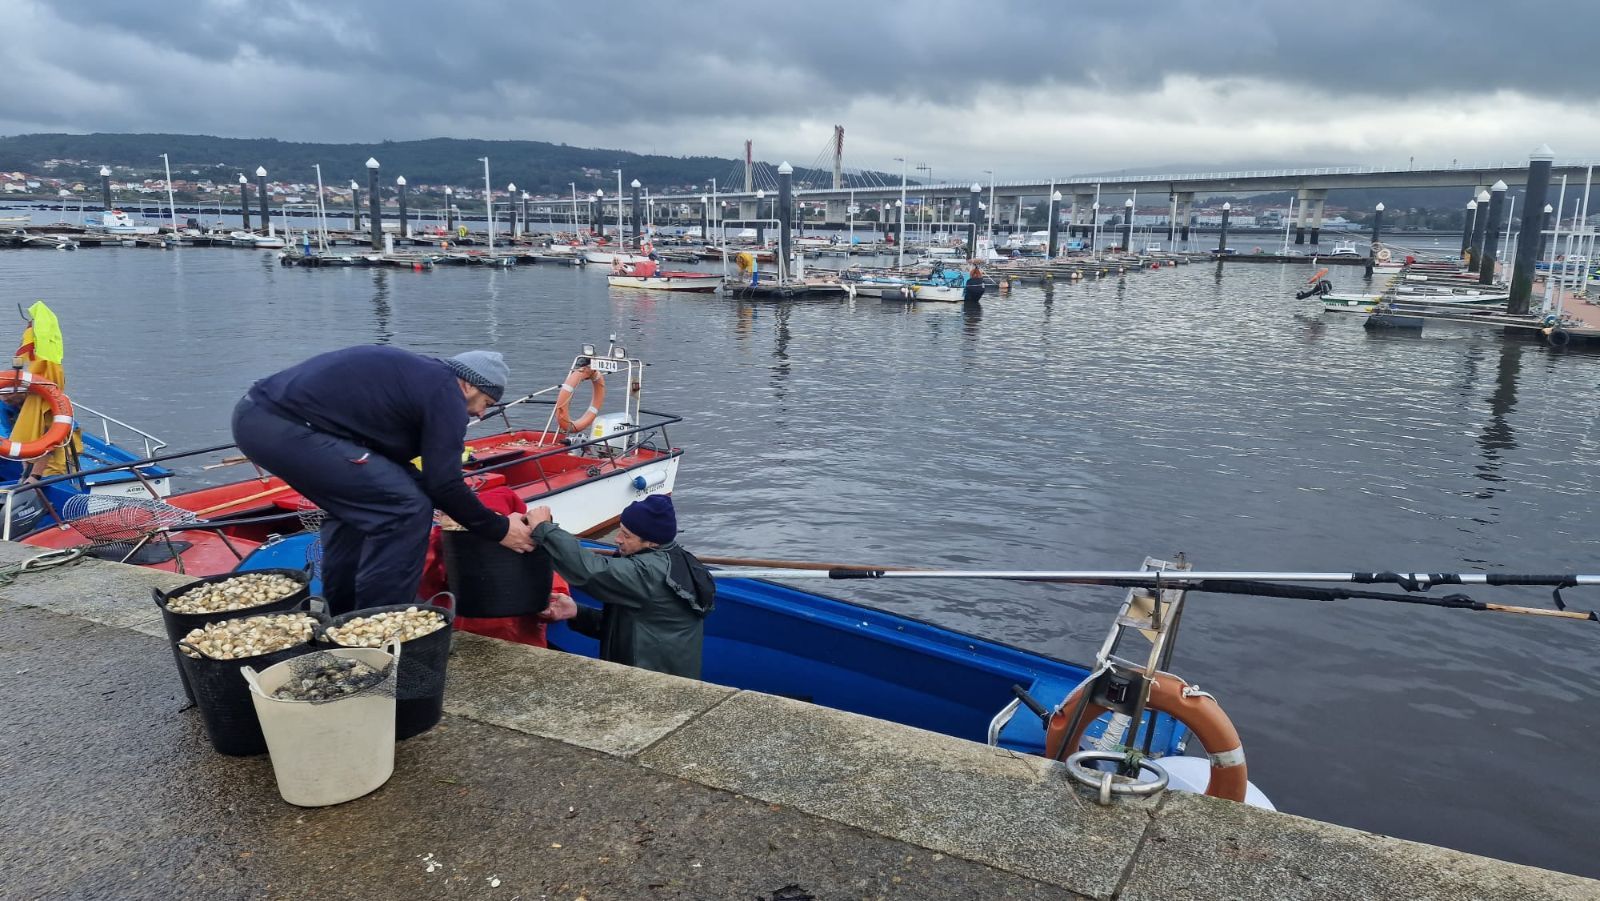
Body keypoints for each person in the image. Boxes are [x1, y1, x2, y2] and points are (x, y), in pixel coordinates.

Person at [231, 346, 536, 615]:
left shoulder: (420, 379)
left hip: (259, 418)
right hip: (285, 426)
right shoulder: (446, 392)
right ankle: (382, 624)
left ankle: (343, 618)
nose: (482, 414)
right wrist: (497, 530)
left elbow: (409, 468)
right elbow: (444, 482)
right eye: (486, 402)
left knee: (358, 513)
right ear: (469, 385)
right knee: (405, 508)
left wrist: (446, 500)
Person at [528, 495, 715, 679]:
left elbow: (591, 572)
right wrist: (577, 612)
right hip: (662, 675)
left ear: (652, 542)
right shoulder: (677, 559)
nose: (617, 539)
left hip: (651, 685)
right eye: (619, 530)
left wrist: (545, 530)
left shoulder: (649, 572)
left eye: (626, 535)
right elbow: (633, 628)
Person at [6, 302, 82, 481]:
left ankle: (33, 475)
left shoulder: (47, 378)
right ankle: (28, 473)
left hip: (48, 472)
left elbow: (50, 437)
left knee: (45, 428)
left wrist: (34, 476)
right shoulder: (40, 378)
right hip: (35, 463)